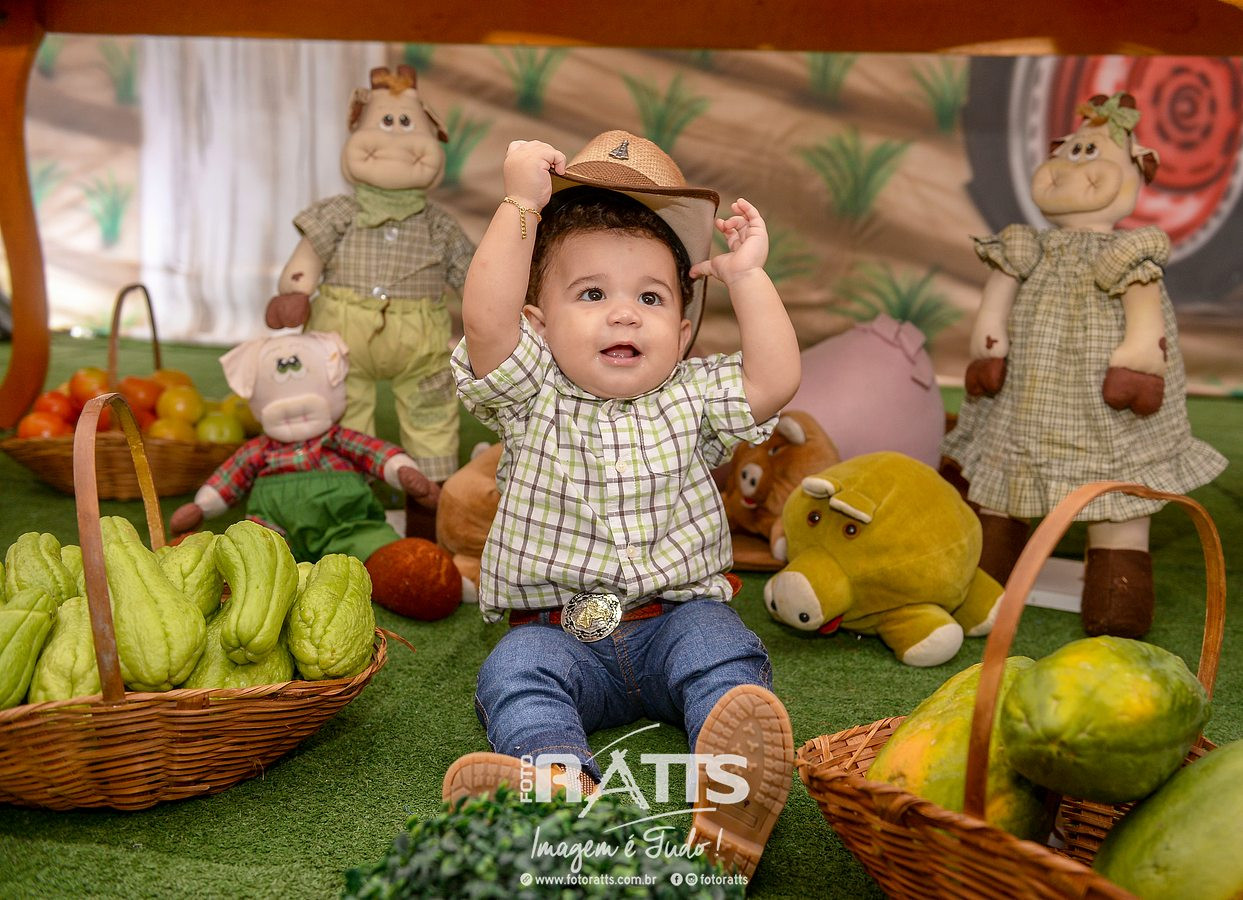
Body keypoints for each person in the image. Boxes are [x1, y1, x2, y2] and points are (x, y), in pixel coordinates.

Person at [441, 130, 801, 879]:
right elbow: (485, 322)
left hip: (676, 621)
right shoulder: (532, 392)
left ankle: (731, 783)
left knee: (722, 654)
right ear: (538, 323)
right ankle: (557, 786)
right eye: (592, 294)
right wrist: (519, 206)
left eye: (650, 297)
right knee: (515, 673)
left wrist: (747, 277)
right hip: (559, 635)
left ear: (682, 329)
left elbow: (772, 382)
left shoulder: (692, 395)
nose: (625, 315)